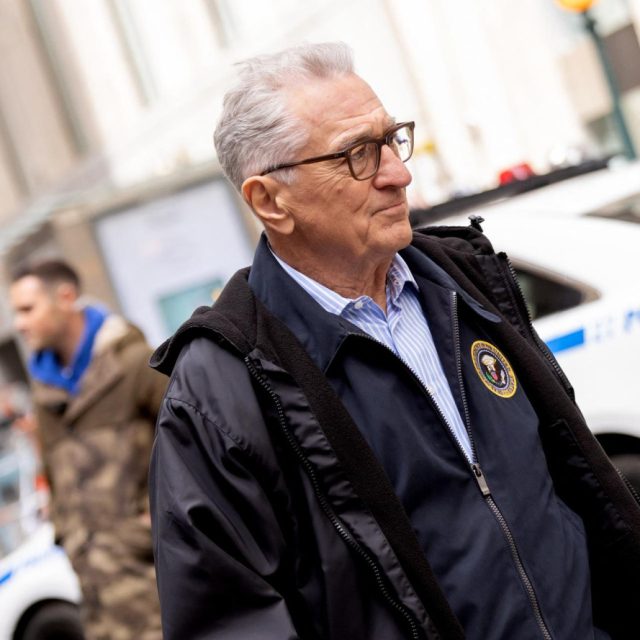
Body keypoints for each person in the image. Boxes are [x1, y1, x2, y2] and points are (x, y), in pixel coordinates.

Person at [148, 42, 640, 640]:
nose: (398, 173)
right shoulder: (222, 391)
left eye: (391, 139)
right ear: (270, 201)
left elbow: (573, 493)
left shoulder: (465, 282)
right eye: (357, 154)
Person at [9, 259, 166, 640]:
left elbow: (197, 448)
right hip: (98, 606)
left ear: (65, 298)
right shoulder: (45, 395)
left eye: (28, 309)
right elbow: (55, 479)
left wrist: (159, 521)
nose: (19, 324)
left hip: (162, 593)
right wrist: (66, 532)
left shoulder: (134, 365)